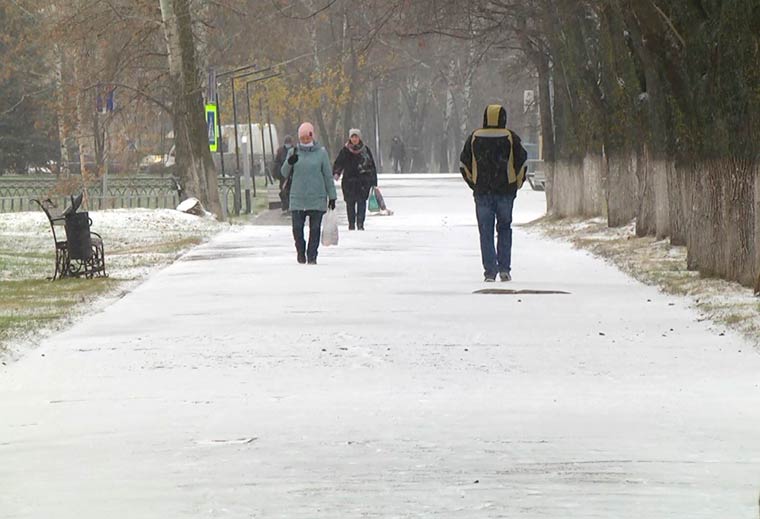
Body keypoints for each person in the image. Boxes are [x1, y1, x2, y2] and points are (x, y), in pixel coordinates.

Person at [459, 104, 528, 283]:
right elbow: (522, 162)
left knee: (486, 232)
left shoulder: (474, 137)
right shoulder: (510, 137)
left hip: (482, 193)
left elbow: (463, 164)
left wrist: (474, 184)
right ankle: (504, 268)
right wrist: (516, 184)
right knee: (504, 229)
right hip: (505, 192)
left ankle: (490, 271)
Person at [280, 123, 337, 265]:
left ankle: (312, 255)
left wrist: (332, 196)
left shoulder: (321, 153)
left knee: (315, 228)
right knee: (297, 229)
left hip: (316, 198)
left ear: (312, 136)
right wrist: (289, 162)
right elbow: (283, 172)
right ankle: (300, 251)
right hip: (298, 197)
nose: (305, 140)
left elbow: (327, 176)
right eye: (302, 137)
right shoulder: (293, 152)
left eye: (307, 137)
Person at [332, 129, 378, 231]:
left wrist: (373, 181)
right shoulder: (345, 151)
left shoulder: (365, 150)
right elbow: (339, 162)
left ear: (359, 138)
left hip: (362, 182)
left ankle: (360, 224)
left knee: (361, 203)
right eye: (352, 137)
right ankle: (351, 224)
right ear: (350, 138)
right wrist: (337, 172)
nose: (354, 139)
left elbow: (371, 166)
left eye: (356, 137)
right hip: (349, 182)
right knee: (350, 204)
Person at [273, 135, 294, 212]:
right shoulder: (280, 151)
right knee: (283, 190)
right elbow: (277, 162)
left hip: (292, 175)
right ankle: (285, 205)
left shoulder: (294, 151)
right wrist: (276, 174)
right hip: (283, 175)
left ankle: (289, 206)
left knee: (290, 191)